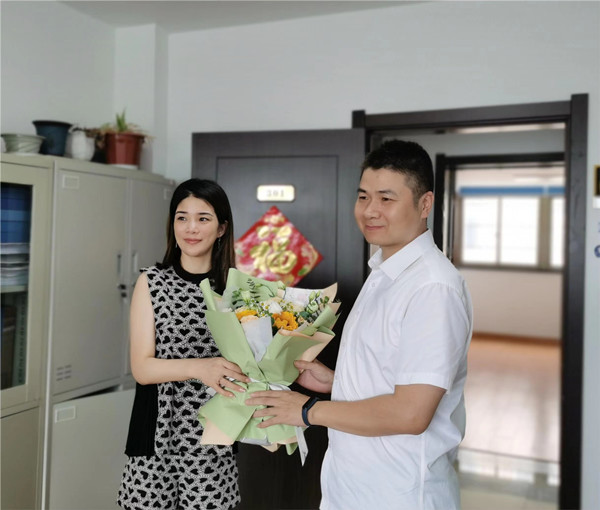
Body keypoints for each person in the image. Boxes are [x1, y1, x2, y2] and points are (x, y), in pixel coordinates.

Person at [246, 140, 473, 510]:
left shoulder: (433, 288)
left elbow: (411, 413)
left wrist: (306, 410)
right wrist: (337, 382)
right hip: (353, 486)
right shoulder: (384, 271)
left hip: (398, 494)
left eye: (386, 198)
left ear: (425, 204)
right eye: (363, 196)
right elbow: (395, 373)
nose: (370, 211)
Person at [118, 178, 249, 510]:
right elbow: (142, 368)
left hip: (213, 434)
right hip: (155, 432)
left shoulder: (236, 289)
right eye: (182, 217)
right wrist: (201, 368)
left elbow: (250, 364)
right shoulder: (152, 282)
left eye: (203, 218)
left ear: (221, 228)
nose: (191, 228)